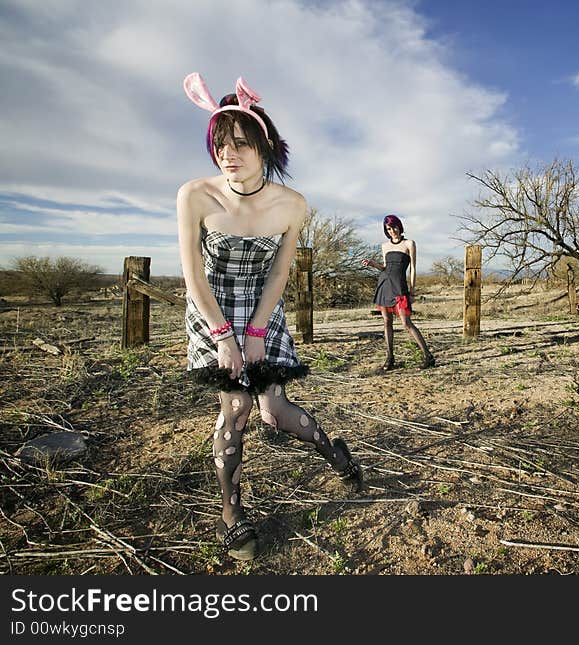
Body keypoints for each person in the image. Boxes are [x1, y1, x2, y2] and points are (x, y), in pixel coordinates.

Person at [177, 72, 364, 561]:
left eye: (241, 143)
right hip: (211, 307)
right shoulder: (195, 194)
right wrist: (224, 337)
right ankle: (231, 514)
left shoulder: (291, 205)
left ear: (265, 146)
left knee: (273, 410)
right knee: (235, 408)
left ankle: (335, 452)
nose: (228, 154)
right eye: (220, 144)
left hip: (263, 308)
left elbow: (280, 274)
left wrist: (257, 331)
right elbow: (192, 276)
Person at [361, 214, 436, 371]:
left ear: (399, 227)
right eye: (389, 228)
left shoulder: (409, 243)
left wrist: (412, 290)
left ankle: (428, 356)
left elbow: (413, 269)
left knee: (406, 323)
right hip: (385, 285)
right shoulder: (385, 246)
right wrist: (373, 264)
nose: (392, 231)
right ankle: (390, 358)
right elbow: (385, 267)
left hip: (400, 287)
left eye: (394, 227)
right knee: (386, 322)